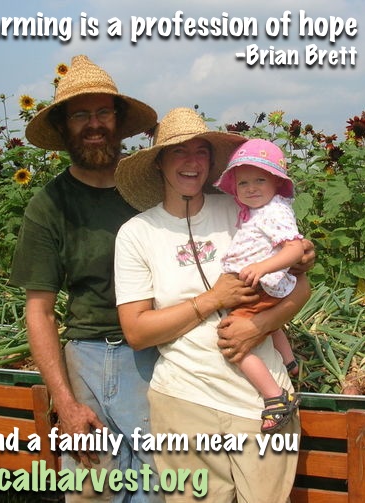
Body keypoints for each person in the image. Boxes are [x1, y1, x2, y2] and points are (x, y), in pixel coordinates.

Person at [114, 107, 313, 502]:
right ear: (158, 163)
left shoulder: (244, 208)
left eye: (201, 151)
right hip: (183, 401)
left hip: (263, 403)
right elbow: (137, 332)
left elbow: (300, 287)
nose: (191, 161)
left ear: (211, 163)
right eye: (178, 151)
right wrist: (212, 300)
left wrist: (259, 326)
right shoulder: (137, 234)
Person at [10, 55, 164, 502]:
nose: (93, 124)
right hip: (87, 360)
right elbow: (39, 311)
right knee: (92, 488)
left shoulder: (151, 188)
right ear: (63, 127)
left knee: (159, 485)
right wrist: (66, 403)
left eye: (103, 112)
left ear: (119, 120)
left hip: (157, 354)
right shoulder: (50, 205)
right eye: (80, 115)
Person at [214, 138, 305, 434]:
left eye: (260, 180)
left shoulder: (274, 211)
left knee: (232, 342)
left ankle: (275, 397)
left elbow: (295, 249)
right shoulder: (259, 210)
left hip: (262, 284)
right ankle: (289, 362)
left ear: (277, 182)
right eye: (243, 183)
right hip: (262, 284)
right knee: (269, 324)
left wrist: (262, 267)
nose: (251, 188)